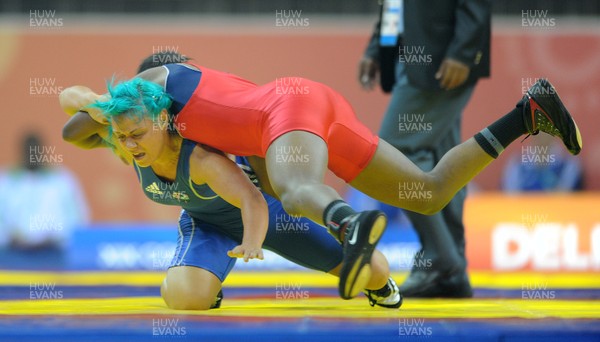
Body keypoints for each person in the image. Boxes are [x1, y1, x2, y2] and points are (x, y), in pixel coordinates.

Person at [59, 55, 582, 300]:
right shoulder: (186, 127)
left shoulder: (158, 85)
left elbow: (75, 120)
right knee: (427, 193)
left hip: (287, 110)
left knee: (292, 188)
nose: (129, 138)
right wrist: (106, 116)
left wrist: (102, 101)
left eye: (134, 125)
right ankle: (527, 113)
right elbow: (73, 132)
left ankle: (352, 224)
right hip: (308, 111)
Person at [60, 52, 402, 310]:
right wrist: (104, 103)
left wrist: (253, 241)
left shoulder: (203, 145)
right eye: (125, 134)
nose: (130, 143)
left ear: (164, 114)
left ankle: (378, 283)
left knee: (373, 271)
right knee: (184, 298)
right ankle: (204, 280)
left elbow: (253, 200)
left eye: (137, 130)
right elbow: (69, 111)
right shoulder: (128, 134)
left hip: (270, 216)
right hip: (209, 223)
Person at [358, 0, 491, 297]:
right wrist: (377, 47)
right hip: (414, 54)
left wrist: (463, 52)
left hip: (443, 55)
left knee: (394, 152)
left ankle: (441, 260)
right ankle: (451, 271)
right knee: (445, 162)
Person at [0, 132, 89, 267]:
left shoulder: (62, 180)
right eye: (27, 150)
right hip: (12, 255)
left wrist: (54, 236)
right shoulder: (6, 181)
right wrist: (10, 237)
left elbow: (79, 218)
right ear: (21, 151)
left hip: (54, 255)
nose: (31, 154)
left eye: (35, 149)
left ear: (43, 150)